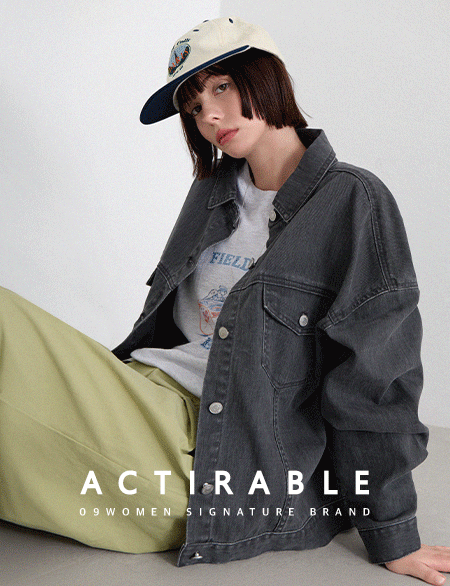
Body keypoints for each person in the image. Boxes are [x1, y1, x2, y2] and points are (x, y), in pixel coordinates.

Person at [1, 15, 449, 584]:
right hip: (140, 395)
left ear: (269, 77)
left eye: (221, 87)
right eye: (193, 106)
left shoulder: (353, 200)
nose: (208, 116)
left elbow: (375, 381)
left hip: (205, 446)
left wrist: (393, 534)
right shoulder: (211, 193)